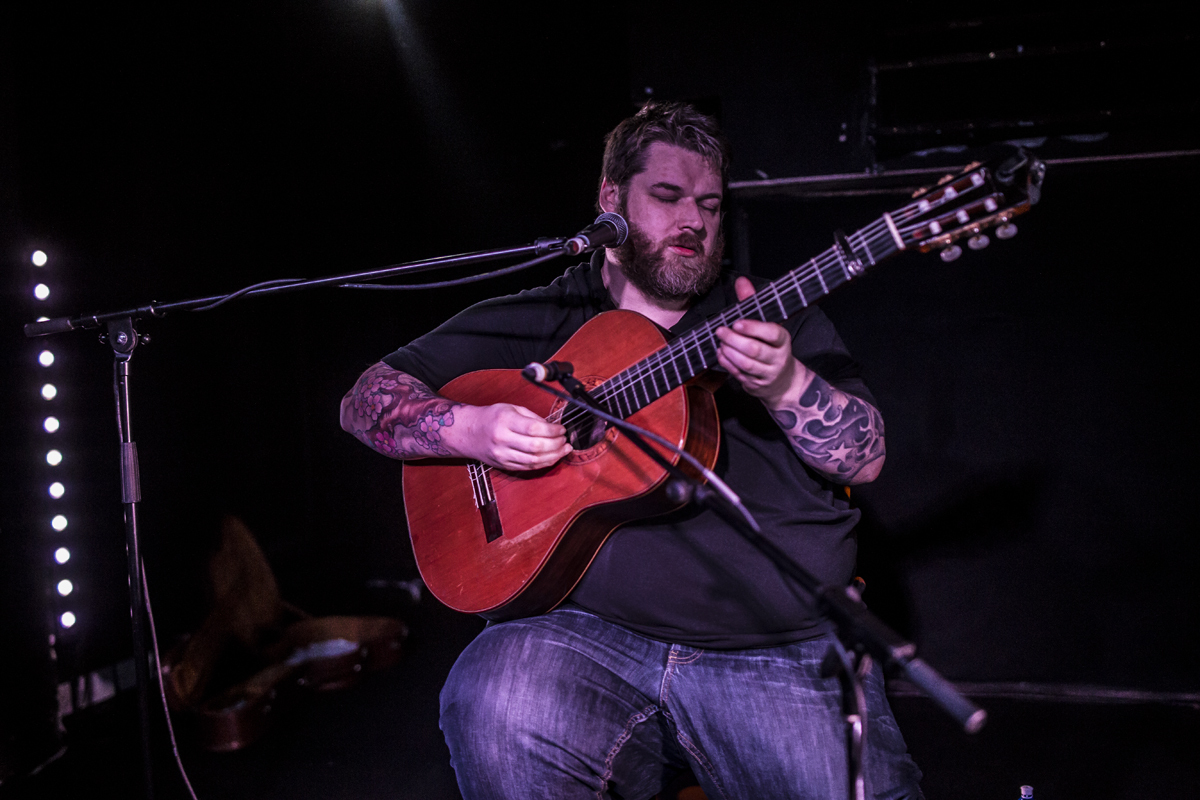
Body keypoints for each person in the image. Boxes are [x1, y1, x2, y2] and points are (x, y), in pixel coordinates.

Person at [340, 102, 923, 799]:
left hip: (775, 648)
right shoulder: (541, 317)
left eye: (709, 204)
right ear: (611, 201)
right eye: (669, 197)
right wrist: (468, 428)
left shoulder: (772, 312)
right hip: (587, 639)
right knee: (490, 694)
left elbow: (865, 457)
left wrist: (787, 383)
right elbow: (364, 399)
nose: (694, 222)